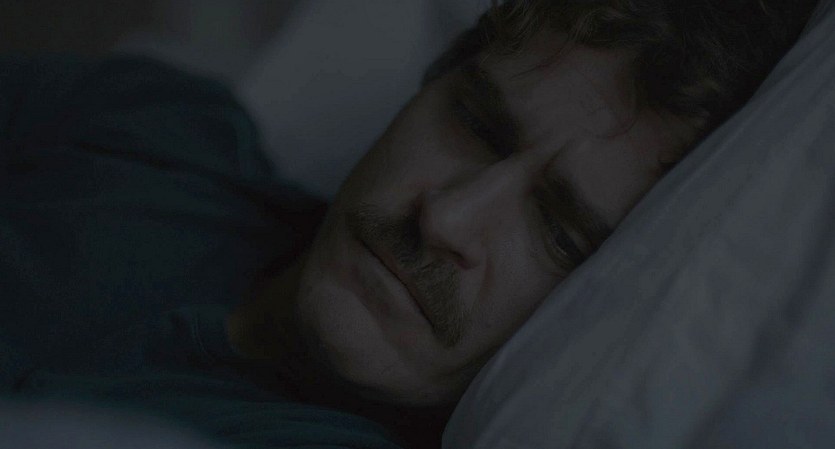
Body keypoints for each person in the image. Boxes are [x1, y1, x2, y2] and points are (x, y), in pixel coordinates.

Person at [0, 1, 817, 448]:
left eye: (559, 233)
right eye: (476, 123)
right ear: (430, 81)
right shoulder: (163, 129)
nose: (447, 217)